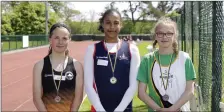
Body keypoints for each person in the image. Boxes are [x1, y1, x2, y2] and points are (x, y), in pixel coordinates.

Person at [84, 9, 140, 112]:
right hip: (99, 108)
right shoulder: (92, 49)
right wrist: (100, 109)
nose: (112, 27)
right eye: (108, 23)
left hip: (124, 108)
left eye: (116, 23)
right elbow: (88, 85)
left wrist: (119, 109)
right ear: (102, 24)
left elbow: (133, 85)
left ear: (121, 24)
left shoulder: (131, 49)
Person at [137, 17, 196, 111]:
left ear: (175, 36)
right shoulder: (147, 60)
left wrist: (172, 109)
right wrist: (158, 109)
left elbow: (190, 91)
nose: (164, 37)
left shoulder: (184, 58)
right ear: (155, 36)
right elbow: (141, 93)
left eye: (169, 33)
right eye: (160, 33)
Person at [33, 23, 84, 111]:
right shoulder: (39, 66)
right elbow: (37, 99)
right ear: (50, 39)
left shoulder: (77, 66)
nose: (60, 42)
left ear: (69, 40)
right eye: (56, 38)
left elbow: (78, 97)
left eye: (64, 38)